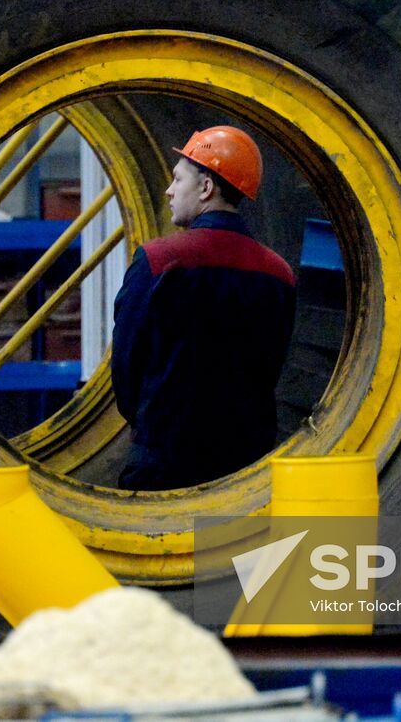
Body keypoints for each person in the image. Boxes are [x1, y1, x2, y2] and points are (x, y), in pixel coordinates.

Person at [110, 126, 297, 491]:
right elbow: (272, 364)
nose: (169, 190)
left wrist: (150, 422)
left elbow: (126, 362)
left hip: (164, 460)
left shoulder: (158, 259)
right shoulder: (279, 273)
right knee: (232, 550)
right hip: (246, 465)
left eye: (178, 179)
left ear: (207, 187)